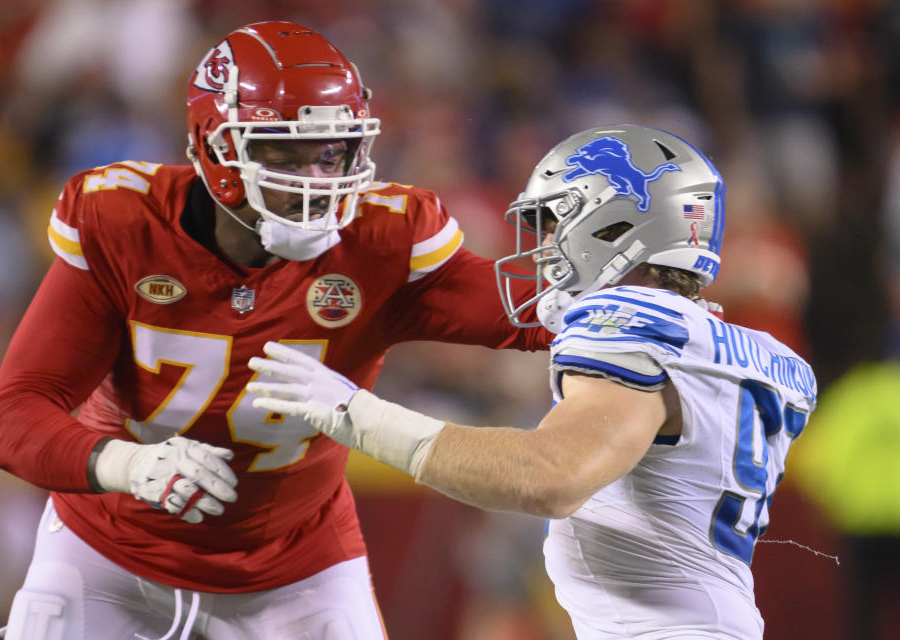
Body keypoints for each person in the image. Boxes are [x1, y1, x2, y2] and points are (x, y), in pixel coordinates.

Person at [0, 21, 551, 640]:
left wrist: (650, 281)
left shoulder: (381, 240)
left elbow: (534, 312)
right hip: (108, 552)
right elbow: (12, 416)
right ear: (216, 147)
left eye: (332, 151)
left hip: (298, 568)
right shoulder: (124, 224)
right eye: (282, 149)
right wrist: (128, 465)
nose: (315, 177)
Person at [248, 124, 818, 639]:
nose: (543, 249)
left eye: (555, 225)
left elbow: (550, 477)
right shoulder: (755, 351)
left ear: (618, 225)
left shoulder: (631, 324)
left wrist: (356, 414)